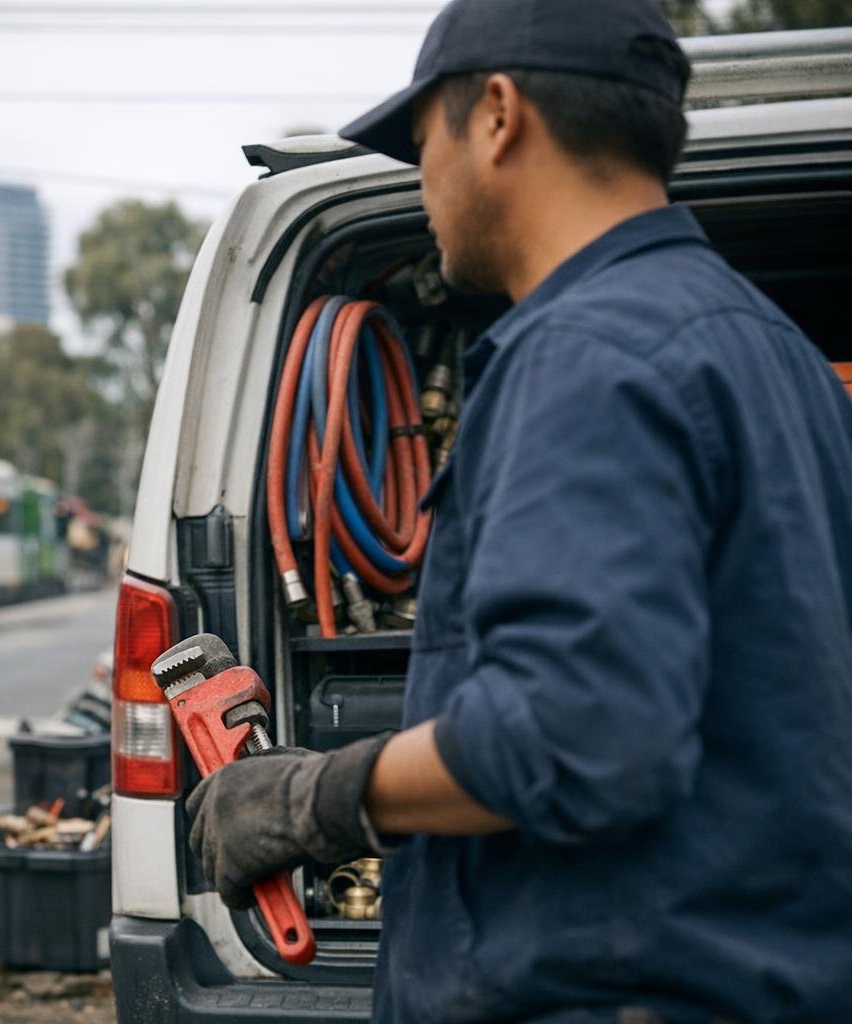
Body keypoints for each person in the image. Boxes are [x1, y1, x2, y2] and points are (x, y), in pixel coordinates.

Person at [187, 0, 852, 1020]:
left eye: (421, 143)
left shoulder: (586, 357)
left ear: (496, 115)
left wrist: (314, 797)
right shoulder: (780, 356)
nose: (424, 181)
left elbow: (576, 733)